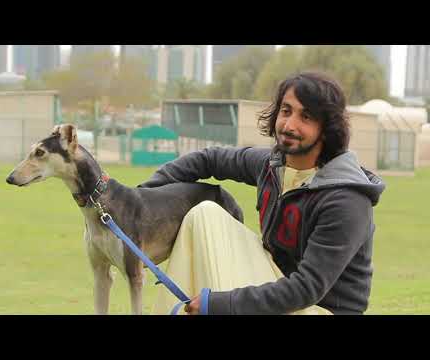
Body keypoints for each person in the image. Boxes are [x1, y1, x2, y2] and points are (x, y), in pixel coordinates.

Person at [139, 72, 385, 315]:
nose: (289, 125)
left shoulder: (346, 200)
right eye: (286, 111)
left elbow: (306, 289)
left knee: (206, 220)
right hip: (278, 287)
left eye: (306, 117)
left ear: (326, 128)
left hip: (318, 308)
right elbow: (209, 159)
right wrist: (144, 197)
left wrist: (219, 304)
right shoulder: (273, 167)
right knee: (203, 214)